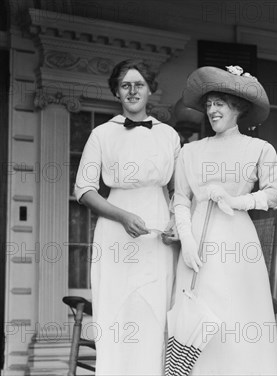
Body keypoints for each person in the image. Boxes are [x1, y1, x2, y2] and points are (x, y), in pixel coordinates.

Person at [73, 59, 181, 375]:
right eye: (125, 85)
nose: (133, 91)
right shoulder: (102, 134)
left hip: (157, 236)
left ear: (150, 91)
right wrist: (121, 217)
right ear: (117, 93)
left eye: (139, 85)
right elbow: (84, 190)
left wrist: (176, 222)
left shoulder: (169, 136)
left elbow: (180, 190)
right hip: (115, 236)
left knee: (152, 312)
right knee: (116, 313)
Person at [173, 65, 277, 375]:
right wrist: (187, 239)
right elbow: (180, 198)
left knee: (236, 320)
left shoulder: (259, 149)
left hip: (237, 241)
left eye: (219, 103)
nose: (212, 110)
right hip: (197, 244)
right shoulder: (189, 152)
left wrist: (237, 200)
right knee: (197, 319)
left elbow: (273, 194)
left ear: (238, 107)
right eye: (208, 104)